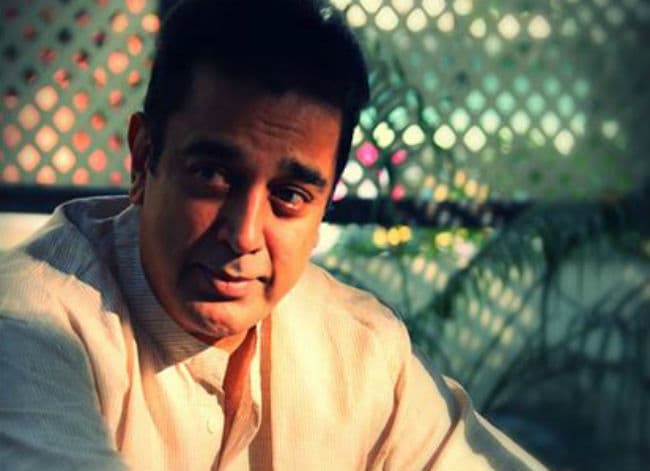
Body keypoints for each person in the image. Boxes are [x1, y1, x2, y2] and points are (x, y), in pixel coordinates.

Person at [0, 0, 546, 469]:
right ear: (144, 159)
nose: (243, 235)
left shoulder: (363, 352)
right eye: (213, 175)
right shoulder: (32, 320)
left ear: (324, 207)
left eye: (290, 195)